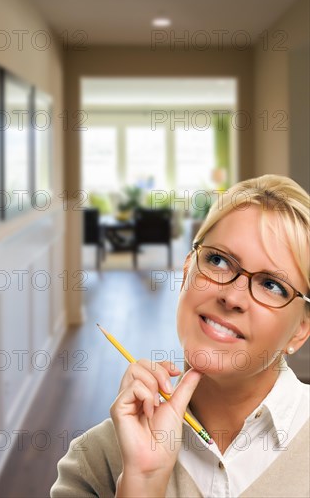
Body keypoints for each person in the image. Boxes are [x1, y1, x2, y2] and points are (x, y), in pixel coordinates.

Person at [51, 174, 310, 498]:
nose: (232, 297)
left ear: (301, 330)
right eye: (218, 260)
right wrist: (142, 485)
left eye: (271, 284)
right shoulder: (95, 460)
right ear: (188, 270)